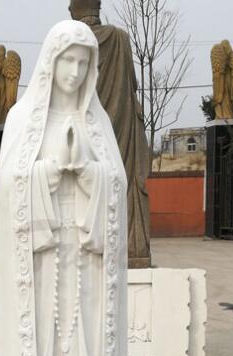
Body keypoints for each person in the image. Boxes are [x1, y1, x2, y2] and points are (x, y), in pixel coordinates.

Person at [0, 20, 128, 356]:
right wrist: (49, 172)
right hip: (40, 259)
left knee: (85, 343)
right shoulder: (25, 118)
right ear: (51, 62)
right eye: (68, 60)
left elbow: (119, 184)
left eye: (84, 62)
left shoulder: (97, 121)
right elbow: (8, 184)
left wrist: (89, 174)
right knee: (43, 342)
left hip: (86, 257)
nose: (75, 70)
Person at [69, 0, 151, 267]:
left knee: (82, 187)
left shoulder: (73, 40)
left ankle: (90, 252)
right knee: (122, 181)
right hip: (121, 124)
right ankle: (132, 250)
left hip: (84, 127)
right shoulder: (120, 38)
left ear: (76, 9)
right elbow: (132, 83)